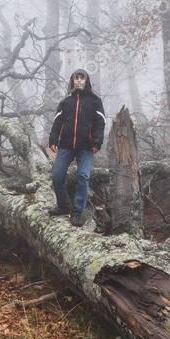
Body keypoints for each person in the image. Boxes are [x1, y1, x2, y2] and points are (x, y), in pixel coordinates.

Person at [48, 68, 106, 228]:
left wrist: (97, 141)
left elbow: (101, 123)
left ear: (86, 81)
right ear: (72, 81)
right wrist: (53, 138)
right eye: (76, 78)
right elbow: (57, 121)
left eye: (82, 78)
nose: (79, 80)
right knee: (57, 176)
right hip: (66, 145)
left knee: (83, 176)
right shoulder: (66, 101)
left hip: (86, 147)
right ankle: (63, 205)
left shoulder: (95, 101)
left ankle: (77, 212)